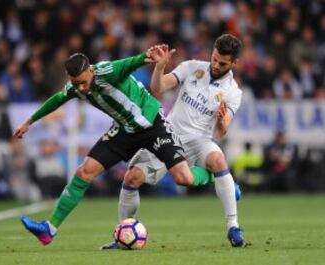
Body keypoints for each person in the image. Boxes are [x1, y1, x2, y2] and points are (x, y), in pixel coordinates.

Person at [14, 46, 214, 245]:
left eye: (83, 82)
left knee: (184, 178)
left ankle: (212, 174)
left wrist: (150, 56)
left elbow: (133, 62)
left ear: (90, 70)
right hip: (125, 130)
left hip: (152, 124)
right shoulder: (75, 87)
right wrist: (29, 122)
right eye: (76, 84)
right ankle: (49, 229)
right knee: (84, 172)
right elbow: (57, 99)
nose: (81, 88)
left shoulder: (108, 71)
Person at [101, 34, 246, 249]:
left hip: (200, 141)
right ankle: (122, 235)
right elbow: (158, 88)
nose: (215, 65)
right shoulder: (192, 67)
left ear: (234, 63)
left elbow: (220, 132)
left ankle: (233, 227)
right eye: (214, 58)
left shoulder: (234, 92)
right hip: (168, 135)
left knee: (218, 159)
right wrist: (160, 67)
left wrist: (222, 120)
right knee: (132, 178)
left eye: (222, 63)